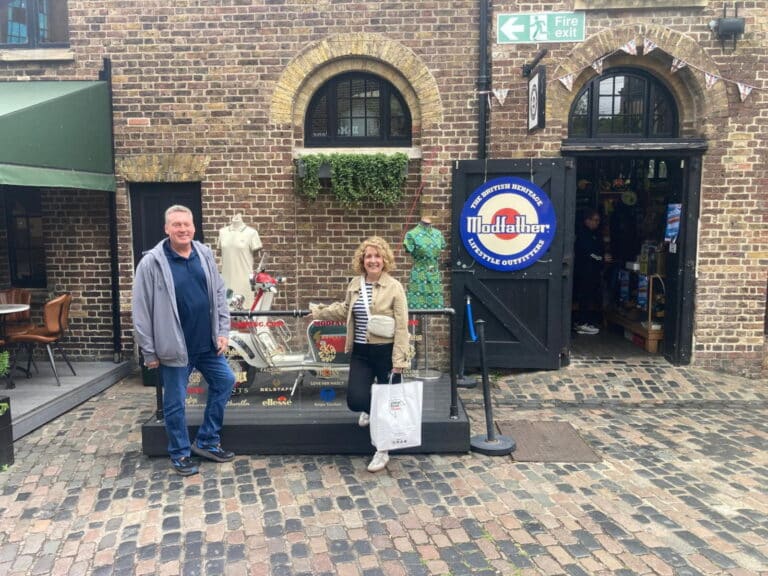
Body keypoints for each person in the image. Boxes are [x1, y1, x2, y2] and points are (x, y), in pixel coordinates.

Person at [133, 205, 236, 476]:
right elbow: (141, 310)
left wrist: (223, 331)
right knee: (176, 402)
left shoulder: (203, 254)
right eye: (176, 225)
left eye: (186, 224)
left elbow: (218, 294)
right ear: (166, 229)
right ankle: (179, 453)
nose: (183, 229)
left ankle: (207, 440)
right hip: (174, 348)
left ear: (193, 226)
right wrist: (149, 352)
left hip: (207, 344)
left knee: (225, 381)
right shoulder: (151, 263)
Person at [308, 236, 409, 473]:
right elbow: (344, 310)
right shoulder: (355, 284)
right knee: (355, 400)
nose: (372, 260)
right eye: (368, 256)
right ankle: (371, 410)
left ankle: (382, 450)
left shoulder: (394, 287)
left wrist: (399, 361)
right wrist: (319, 312)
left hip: (386, 352)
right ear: (362, 260)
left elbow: (403, 326)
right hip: (361, 351)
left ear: (384, 260)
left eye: (377, 256)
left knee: (385, 404)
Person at [573, 208, 611, 335]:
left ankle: (584, 321)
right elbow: (587, 253)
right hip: (585, 270)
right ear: (587, 220)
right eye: (595, 220)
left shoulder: (594, 234)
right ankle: (582, 323)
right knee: (585, 296)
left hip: (592, 270)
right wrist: (602, 258)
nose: (597, 223)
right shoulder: (584, 234)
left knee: (589, 296)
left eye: (598, 220)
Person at [219, 214, 262, 309]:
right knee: (227, 313)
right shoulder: (222, 232)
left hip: (244, 281)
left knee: (245, 313)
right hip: (227, 281)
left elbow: (256, 251)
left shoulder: (251, 233)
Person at [403, 212, 445, 309]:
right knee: (417, 310)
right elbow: (408, 248)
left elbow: (442, 246)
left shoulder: (438, 234)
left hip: (434, 275)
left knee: (434, 310)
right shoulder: (411, 235)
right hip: (418, 275)